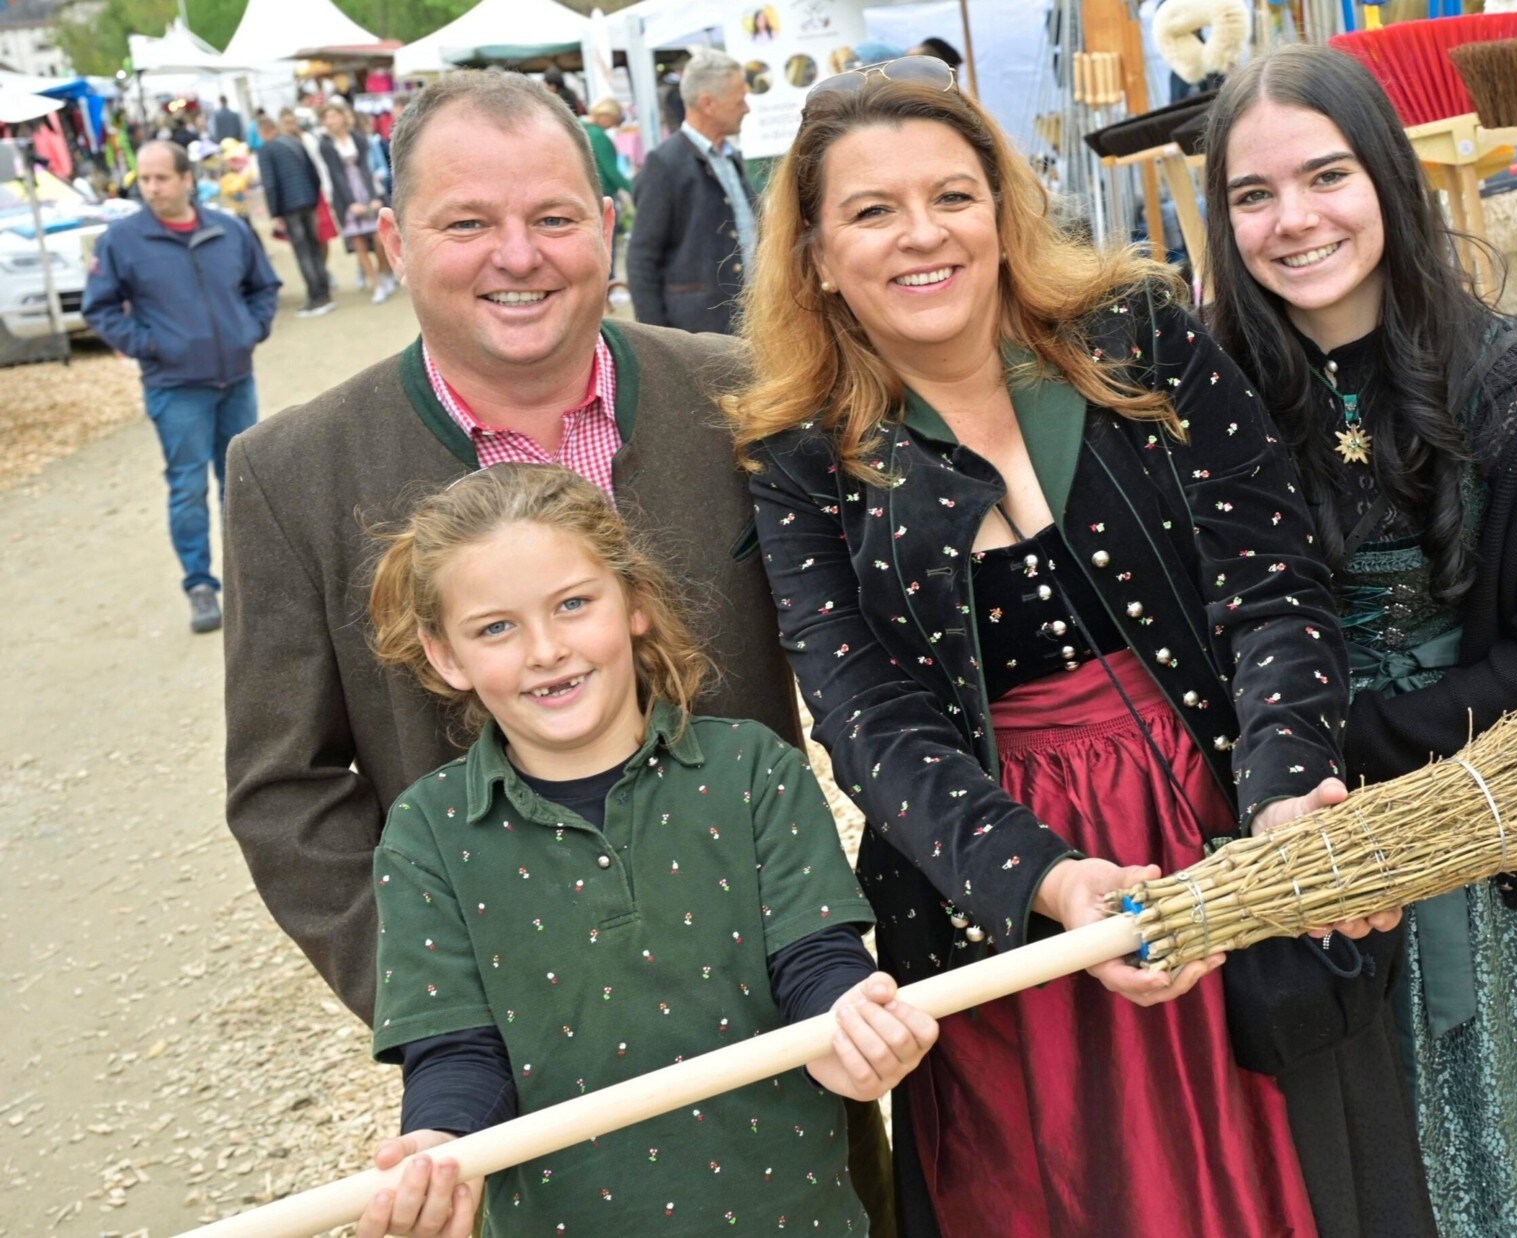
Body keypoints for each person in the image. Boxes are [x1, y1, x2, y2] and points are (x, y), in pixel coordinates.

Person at [734, 59, 1432, 1238]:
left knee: (1301, 1176)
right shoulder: (802, 461)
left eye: (952, 196)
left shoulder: (1137, 336)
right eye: (872, 210)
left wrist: (1281, 794)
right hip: (999, 886)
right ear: (814, 255)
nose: (922, 234)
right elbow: (869, 721)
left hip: (1216, 827)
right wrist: (1051, 880)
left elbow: (1271, 580)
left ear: (1001, 210)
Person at [221, 69, 896, 1231]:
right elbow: (286, 789)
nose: (518, 255)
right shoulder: (292, 473)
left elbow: (869, 658)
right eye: (467, 222)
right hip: (528, 1102)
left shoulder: (744, 398)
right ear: (392, 236)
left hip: (783, 1034)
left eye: (552, 216)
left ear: (607, 221)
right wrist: (460, 1005)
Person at [1201, 44, 1517, 1238]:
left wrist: (1344, 748)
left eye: (1325, 175)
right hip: (1277, 857)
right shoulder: (1199, 403)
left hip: (1468, 848)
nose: (1294, 220)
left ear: (1386, 176)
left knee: (1486, 1196)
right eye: (1252, 194)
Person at [350, 463, 937, 1238]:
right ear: (445, 655)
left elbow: (814, 962)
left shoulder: (752, 770)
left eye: (573, 604)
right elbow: (459, 1056)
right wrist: (437, 1150)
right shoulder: (425, 833)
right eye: (496, 628)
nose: (545, 650)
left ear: (633, 603)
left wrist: (848, 1028)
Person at [83, 140, 280, 635]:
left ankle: (247, 579)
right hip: (175, 388)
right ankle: (200, 585)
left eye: (161, 178)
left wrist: (250, 330)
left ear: (187, 179)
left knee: (240, 482)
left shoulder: (229, 230)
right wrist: (150, 346)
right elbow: (99, 307)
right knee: (188, 487)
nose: (151, 188)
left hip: (236, 380)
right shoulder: (122, 241)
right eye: (145, 179)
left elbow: (263, 285)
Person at [628, 49, 756, 335]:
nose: (746, 108)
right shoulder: (664, 164)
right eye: (739, 100)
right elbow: (642, 258)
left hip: (747, 324)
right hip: (700, 332)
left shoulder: (730, 157)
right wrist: (658, 341)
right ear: (708, 103)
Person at [254, 113, 335, 317]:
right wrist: (313, 198)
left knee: (303, 252)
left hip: (289, 207)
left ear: (262, 131)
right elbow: (313, 172)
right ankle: (325, 291)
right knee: (314, 247)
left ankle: (316, 297)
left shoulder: (266, 150)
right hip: (308, 200)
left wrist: (275, 213)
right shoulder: (293, 142)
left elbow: (270, 184)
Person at [319, 101, 397, 303]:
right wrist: (350, 203)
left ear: (342, 117)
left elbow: (366, 169)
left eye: (333, 116)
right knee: (358, 243)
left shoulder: (358, 138)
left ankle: (383, 273)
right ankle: (376, 284)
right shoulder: (325, 144)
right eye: (326, 117)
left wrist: (372, 197)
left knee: (379, 238)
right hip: (345, 195)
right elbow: (336, 175)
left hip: (365, 187)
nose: (330, 121)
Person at [583, 98, 632, 282]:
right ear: (605, 115)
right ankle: (610, 280)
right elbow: (611, 170)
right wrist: (634, 188)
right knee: (607, 237)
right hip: (603, 191)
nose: (614, 125)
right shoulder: (598, 136)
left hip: (586, 191)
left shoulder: (578, 127)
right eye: (614, 119)